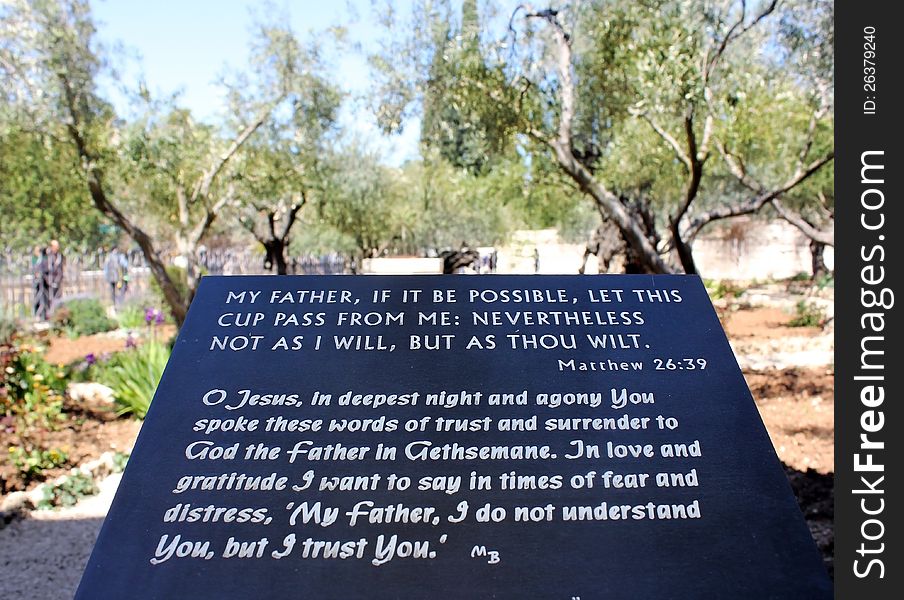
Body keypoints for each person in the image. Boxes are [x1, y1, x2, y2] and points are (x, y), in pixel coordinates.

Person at [46, 239, 65, 314]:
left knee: (58, 297)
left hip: (58, 279)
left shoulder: (59, 255)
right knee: (50, 298)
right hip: (50, 280)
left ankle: (58, 312)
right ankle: (50, 313)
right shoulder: (48, 256)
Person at [31, 245, 50, 320]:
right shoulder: (34, 259)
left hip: (44, 282)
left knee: (45, 298)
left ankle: (45, 315)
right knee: (37, 298)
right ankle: (37, 314)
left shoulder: (45, 258)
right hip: (37, 283)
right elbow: (34, 269)